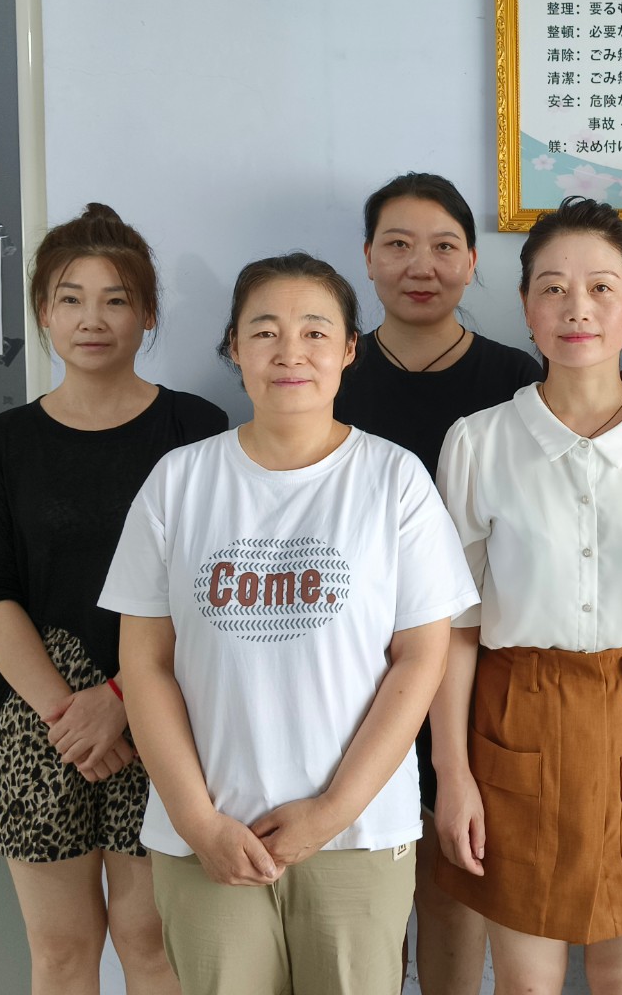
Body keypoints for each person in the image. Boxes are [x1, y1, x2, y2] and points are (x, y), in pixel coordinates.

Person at [100, 253, 478, 995]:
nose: (289, 352)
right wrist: (198, 822)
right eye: (265, 331)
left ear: (348, 350)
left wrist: (333, 810)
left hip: (358, 834)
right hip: (209, 839)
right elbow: (144, 666)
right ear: (235, 348)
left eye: (315, 332)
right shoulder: (179, 481)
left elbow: (421, 657)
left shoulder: (394, 479)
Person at [431, 196, 622, 995]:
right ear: (526, 305)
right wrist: (452, 771)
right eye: (554, 288)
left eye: (602, 288)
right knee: (525, 984)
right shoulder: (477, 443)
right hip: (514, 717)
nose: (578, 309)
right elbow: (455, 624)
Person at [0, 203, 226, 995]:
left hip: (165, 709)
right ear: (44, 312)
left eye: (116, 300)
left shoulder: (196, 428)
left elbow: (212, 587)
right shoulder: (2, 443)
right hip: (36, 720)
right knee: (62, 950)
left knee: (154, 945)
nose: (92, 319)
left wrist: (118, 700)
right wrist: (66, 715)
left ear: (148, 314)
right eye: (70, 299)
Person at [333, 171, 540, 995]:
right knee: (364, 900)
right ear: (367, 258)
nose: (421, 266)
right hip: (349, 666)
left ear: (473, 260)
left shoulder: (517, 380)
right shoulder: (331, 372)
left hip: (475, 665)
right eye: (398, 245)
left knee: (456, 884)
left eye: (444, 246)